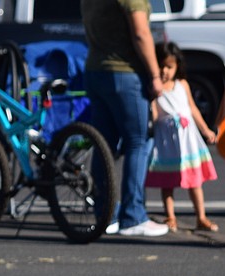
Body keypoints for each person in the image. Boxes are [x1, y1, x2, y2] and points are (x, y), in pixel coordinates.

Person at [80, 0, 170, 237]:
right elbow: (141, 33)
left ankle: (106, 214)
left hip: (96, 69)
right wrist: (154, 75)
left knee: (103, 145)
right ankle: (133, 215)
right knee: (138, 142)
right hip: (124, 72)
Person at [144, 42, 220, 232]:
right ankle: (170, 216)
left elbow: (193, 109)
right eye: (161, 66)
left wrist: (206, 130)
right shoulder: (155, 88)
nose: (164, 71)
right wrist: (153, 98)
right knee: (167, 182)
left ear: (177, 66)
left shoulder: (182, 85)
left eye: (169, 67)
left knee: (194, 181)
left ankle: (201, 217)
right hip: (166, 141)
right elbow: (153, 116)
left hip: (187, 140)